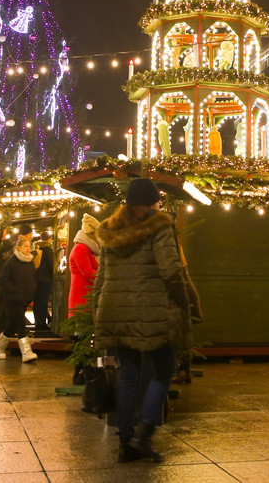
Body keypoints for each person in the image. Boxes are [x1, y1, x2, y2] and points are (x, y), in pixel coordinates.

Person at [94, 177, 190, 464]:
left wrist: (99, 310)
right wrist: (183, 303)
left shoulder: (111, 229)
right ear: (151, 201)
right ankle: (144, 433)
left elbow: (101, 277)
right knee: (163, 369)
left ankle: (125, 441)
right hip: (149, 310)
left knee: (128, 372)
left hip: (115, 309)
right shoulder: (159, 225)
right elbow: (172, 271)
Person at [0, 228, 38, 362]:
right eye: (25, 246)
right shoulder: (12, 261)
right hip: (13, 299)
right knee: (21, 324)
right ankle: (26, 352)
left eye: (29, 246)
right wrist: (12, 291)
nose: (28, 249)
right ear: (19, 247)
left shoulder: (30, 261)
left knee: (12, 325)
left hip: (24, 298)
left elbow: (33, 278)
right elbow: (4, 279)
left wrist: (31, 291)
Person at [68, 214, 101, 314]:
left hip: (87, 295)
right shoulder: (81, 248)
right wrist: (105, 275)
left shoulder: (88, 248)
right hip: (82, 297)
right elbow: (87, 273)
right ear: (91, 233)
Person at [33, 231, 56, 332]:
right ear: (49, 239)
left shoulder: (37, 249)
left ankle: (37, 322)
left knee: (37, 301)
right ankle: (42, 324)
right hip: (46, 278)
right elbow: (52, 265)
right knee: (43, 301)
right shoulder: (48, 249)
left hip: (36, 278)